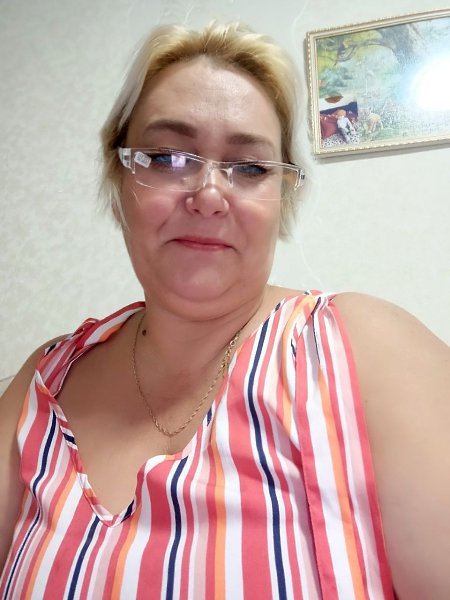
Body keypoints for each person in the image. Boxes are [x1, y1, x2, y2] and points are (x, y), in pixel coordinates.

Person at [0, 21, 449, 600]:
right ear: (118, 176)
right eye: (166, 157)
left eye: (250, 167)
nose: (209, 196)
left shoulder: (365, 350)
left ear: (283, 196)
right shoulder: (47, 379)